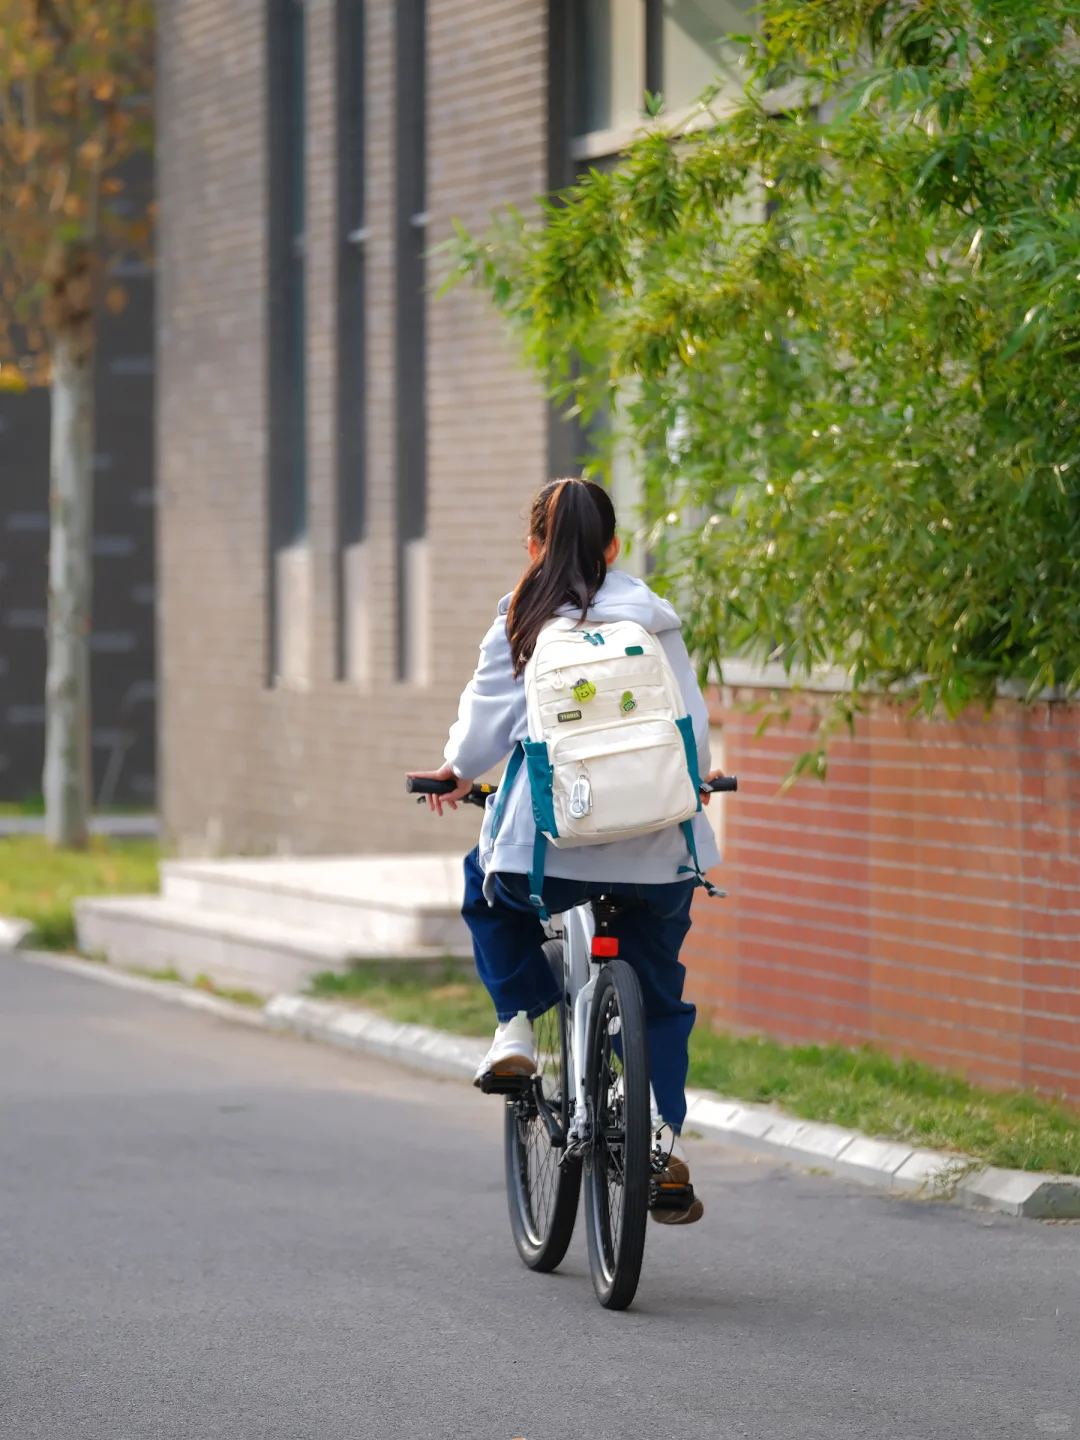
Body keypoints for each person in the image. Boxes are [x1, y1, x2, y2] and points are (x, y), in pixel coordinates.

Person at [407, 477, 725, 1225]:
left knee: (486, 886)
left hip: (546, 852)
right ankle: (654, 1129)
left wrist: (456, 772)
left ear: (533, 547)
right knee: (658, 991)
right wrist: (698, 782)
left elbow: (486, 723)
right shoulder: (653, 618)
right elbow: (690, 723)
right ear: (615, 548)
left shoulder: (521, 617)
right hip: (654, 850)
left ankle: (517, 1021)